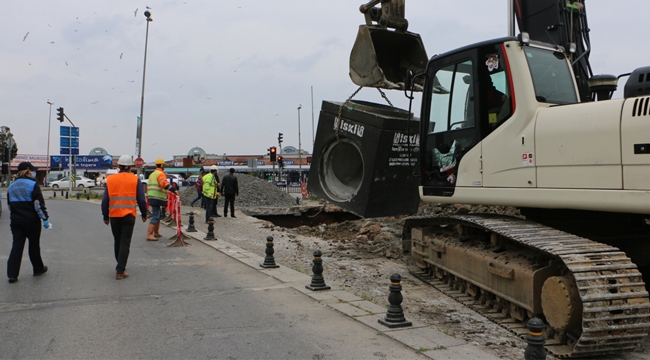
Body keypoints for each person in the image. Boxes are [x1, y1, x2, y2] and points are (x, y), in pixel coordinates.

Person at [101, 155, 148, 280]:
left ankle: (120, 265)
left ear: (119, 166)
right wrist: (144, 213)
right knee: (125, 243)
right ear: (130, 167)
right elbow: (141, 200)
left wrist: (105, 216)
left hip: (114, 216)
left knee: (118, 241)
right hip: (129, 215)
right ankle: (120, 270)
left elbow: (105, 201)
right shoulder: (135, 179)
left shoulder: (110, 180)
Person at [6, 162, 49, 283]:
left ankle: (12, 274)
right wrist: (44, 218)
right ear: (28, 171)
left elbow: (9, 205)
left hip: (16, 221)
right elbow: (38, 205)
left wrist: (15, 216)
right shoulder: (33, 184)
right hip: (31, 221)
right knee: (34, 245)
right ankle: (38, 268)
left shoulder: (11, 186)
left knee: (17, 246)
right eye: (32, 171)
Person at [146, 158, 178, 241]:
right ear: (162, 165)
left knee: (158, 215)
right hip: (156, 197)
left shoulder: (153, 174)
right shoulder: (160, 174)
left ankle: (156, 232)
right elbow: (164, 184)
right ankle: (149, 234)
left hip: (152, 196)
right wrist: (174, 190)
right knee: (156, 215)